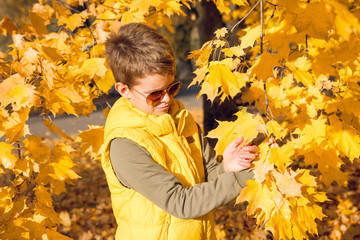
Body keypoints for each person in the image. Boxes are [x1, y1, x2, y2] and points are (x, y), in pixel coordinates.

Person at [101, 22, 258, 240]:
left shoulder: (180, 118)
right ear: (124, 90)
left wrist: (229, 167)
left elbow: (208, 179)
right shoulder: (125, 145)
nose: (167, 99)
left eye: (172, 88)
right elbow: (181, 203)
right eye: (155, 94)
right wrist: (241, 178)